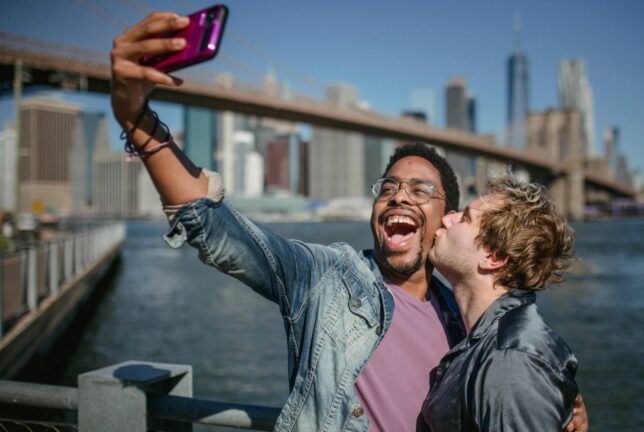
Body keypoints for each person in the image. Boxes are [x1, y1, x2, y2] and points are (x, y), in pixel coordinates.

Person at [110, 11, 588, 432]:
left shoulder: (470, 322)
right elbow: (213, 227)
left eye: (422, 191)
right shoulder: (324, 278)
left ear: (445, 220)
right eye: (387, 187)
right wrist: (134, 116)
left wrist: (560, 403)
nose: (399, 195)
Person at [422, 175, 582, 430]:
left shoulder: (513, 361)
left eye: (464, 219)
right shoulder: (490, 343)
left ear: (493, 257)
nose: (446, 219)